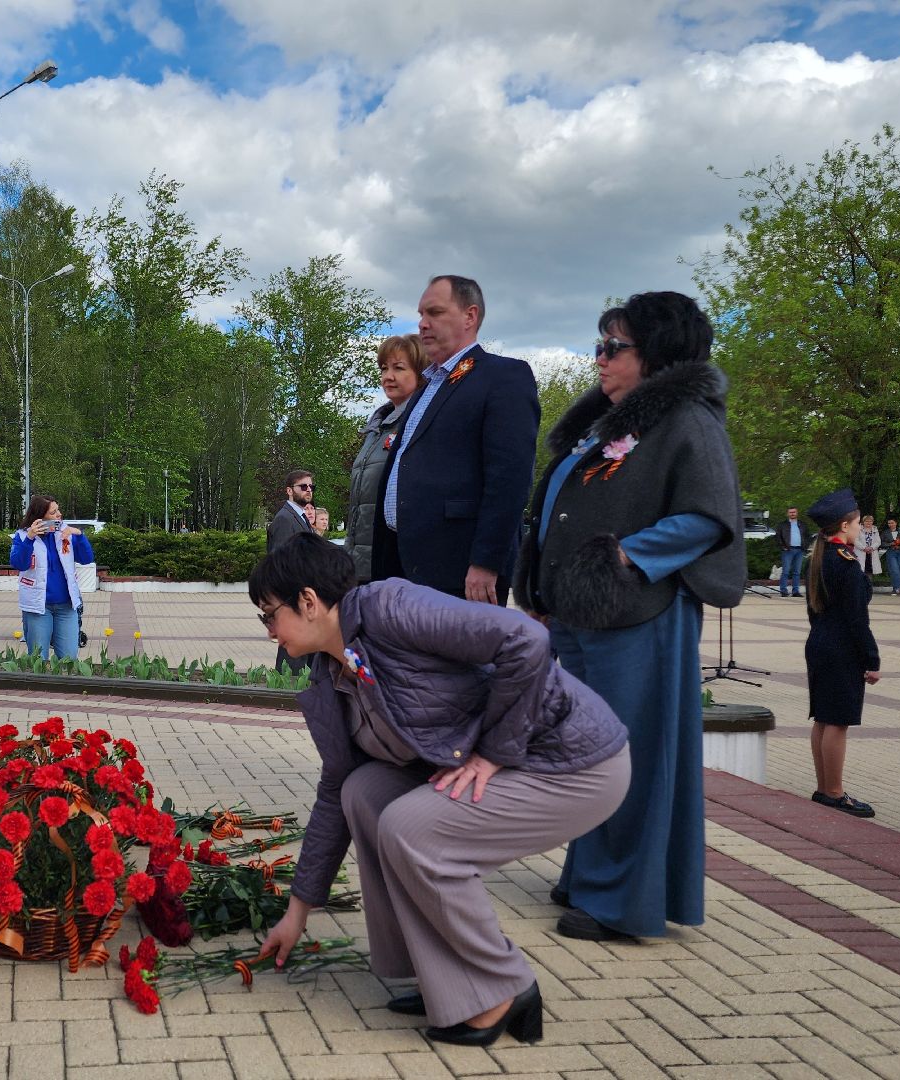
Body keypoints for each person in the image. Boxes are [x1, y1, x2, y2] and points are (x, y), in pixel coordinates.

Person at [253, 535, 629, 1047]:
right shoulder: (331, 674)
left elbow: (526, 639)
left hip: (572, 761)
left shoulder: (391, 609)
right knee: (363, 792)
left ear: (309, 601)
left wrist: (493, 752)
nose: (270, 632)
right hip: (512, 762)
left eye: (270, 615)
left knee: (412, 828)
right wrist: (297, 912)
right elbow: (335, 790)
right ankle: (443, 980)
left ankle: (502, 987)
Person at [514, 291, 745, 941]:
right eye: (599, 345)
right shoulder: (615, 422)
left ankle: (622, 903)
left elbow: (706, 518)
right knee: (589, 753)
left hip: (640, 616)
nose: (599, 358)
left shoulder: (688, 419)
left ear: (657, 353)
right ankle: (590, 875)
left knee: (631, 758)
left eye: (613, 347)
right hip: (585, 616)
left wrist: (622, 557)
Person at [373, 275, 539, 604]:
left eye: (435, 312)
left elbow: (510, 478)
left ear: (469, 316)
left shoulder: (502, 377)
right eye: (421, 314)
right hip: (405, 565)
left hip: (461, 572)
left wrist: (486, 561)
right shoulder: (426, 389)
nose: (423, 324)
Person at [805, 490, 880, 817]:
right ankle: (834, 793)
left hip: (820, 642)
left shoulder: (818, 559)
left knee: (824, 718)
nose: (860, 528)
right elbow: (857, 620)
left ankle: (824, 789)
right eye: (857, 522)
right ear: (845, 525)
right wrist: (872, 659)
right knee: (837, 721)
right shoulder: (846, 565)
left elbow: (813, 610)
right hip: (841, 649)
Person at [345, 335, 425, 583]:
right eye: (383, 368)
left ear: (422, 372)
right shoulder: (376, 428)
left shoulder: (421, 424)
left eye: (398, 368)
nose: (387, 376)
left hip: (397, 568)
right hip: (362, 566)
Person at [9, 495, 95, 660]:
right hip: (38, 607)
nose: (59, 514)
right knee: (38, 659)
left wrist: (79, 535)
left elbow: (87, 559)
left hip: (67, 607)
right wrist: (30, 538)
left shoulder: (66, 532)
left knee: (69, 659)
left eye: (58, 510)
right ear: (40, 516)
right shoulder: (22, 535)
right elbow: (19, 564)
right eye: (53, 512)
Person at [268, 470, 316, 672]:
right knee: (293, 657)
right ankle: (286, 687)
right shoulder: (285, 519)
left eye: (311, 486)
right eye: (303, 486)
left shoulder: (301, 517)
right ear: (289, 490)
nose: (308, 490)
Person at [774, 507, 810, 598]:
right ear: (787, 514)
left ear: (797, 513)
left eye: (794, 512)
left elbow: (807, 536)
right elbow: (778, 537)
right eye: (790, 512)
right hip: (788, 550)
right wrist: (783, 547)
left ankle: (795, 591)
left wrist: (805, 547)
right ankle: (783, 591)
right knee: (785, 571)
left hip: (800, 550)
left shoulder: (802, 524)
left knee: (797, 572)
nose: (792, 514)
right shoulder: (782, 525)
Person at [881, 518, 900, 596]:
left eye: (892, 523)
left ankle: (895, 589)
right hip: (891, 552)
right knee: (894, 570)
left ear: (896, 523)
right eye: (889, 523)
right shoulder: (885, 532)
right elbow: (881, 543)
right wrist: (891, 544)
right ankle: (899, 589)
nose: (890, 525)